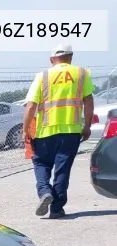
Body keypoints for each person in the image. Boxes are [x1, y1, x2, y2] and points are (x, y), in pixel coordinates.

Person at [23, 43, 95, 219]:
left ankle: (44, 192)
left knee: (41, 164)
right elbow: (88, 101)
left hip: (44, 132)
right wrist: (87, 126)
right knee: (62, 170)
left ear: (51, 60)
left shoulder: (43, 76)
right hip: (71, 131)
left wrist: (25, 130)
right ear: (70, 57)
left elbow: (31, 105)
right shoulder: (82, 74)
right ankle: (56, 208)